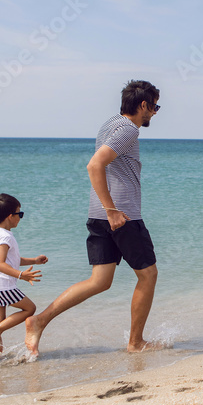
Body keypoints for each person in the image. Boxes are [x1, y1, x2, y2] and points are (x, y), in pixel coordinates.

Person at [25, 80, 164, 359]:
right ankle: (135, 342)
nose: (155, 113)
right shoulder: (128, 129)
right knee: (148, 275)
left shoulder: (108, 125)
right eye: (155, 107)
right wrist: (113, 210)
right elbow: (94, 164)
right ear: (143, 105)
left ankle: (39, 321)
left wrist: (106, 210)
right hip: (122, 216)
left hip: (99, 215)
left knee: (99, 281)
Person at [0, 193, 48, 360]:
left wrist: (34, 261)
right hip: (4, 285)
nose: (21, 217)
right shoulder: (5, 237)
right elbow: (0, 264)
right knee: (30, 309)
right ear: (10, 216)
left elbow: (12, 260)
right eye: (20, 214)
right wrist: (21, 275)